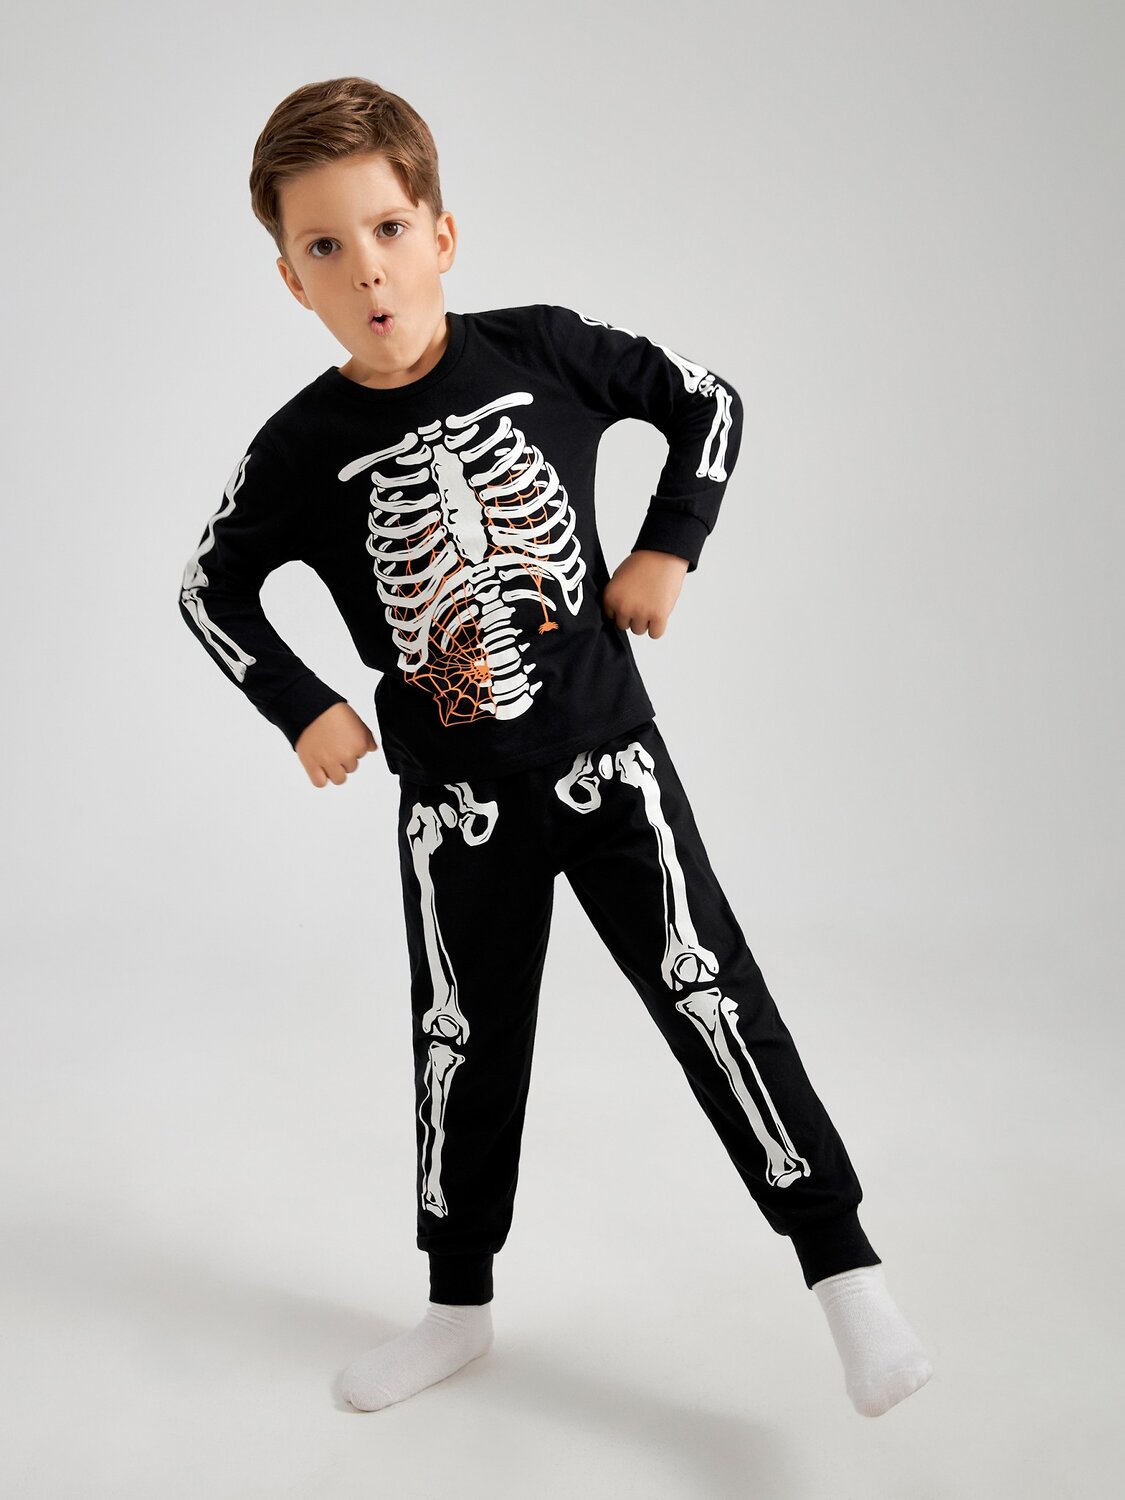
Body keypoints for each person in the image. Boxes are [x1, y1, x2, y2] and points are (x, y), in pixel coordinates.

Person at [178, 75, 933, 1419]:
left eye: (389, 231)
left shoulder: (545, 349)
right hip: (454, 805)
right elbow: (208, 588)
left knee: (711, 995)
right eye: (326, 247)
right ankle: (456, 1307)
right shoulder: (297, 449)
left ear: (442, 234)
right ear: (291, 279)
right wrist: (302, 705)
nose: (368, 271)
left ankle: (846, 1274)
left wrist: (667, 546)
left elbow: (706, 400)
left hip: (606, 765)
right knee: (461, 1042)